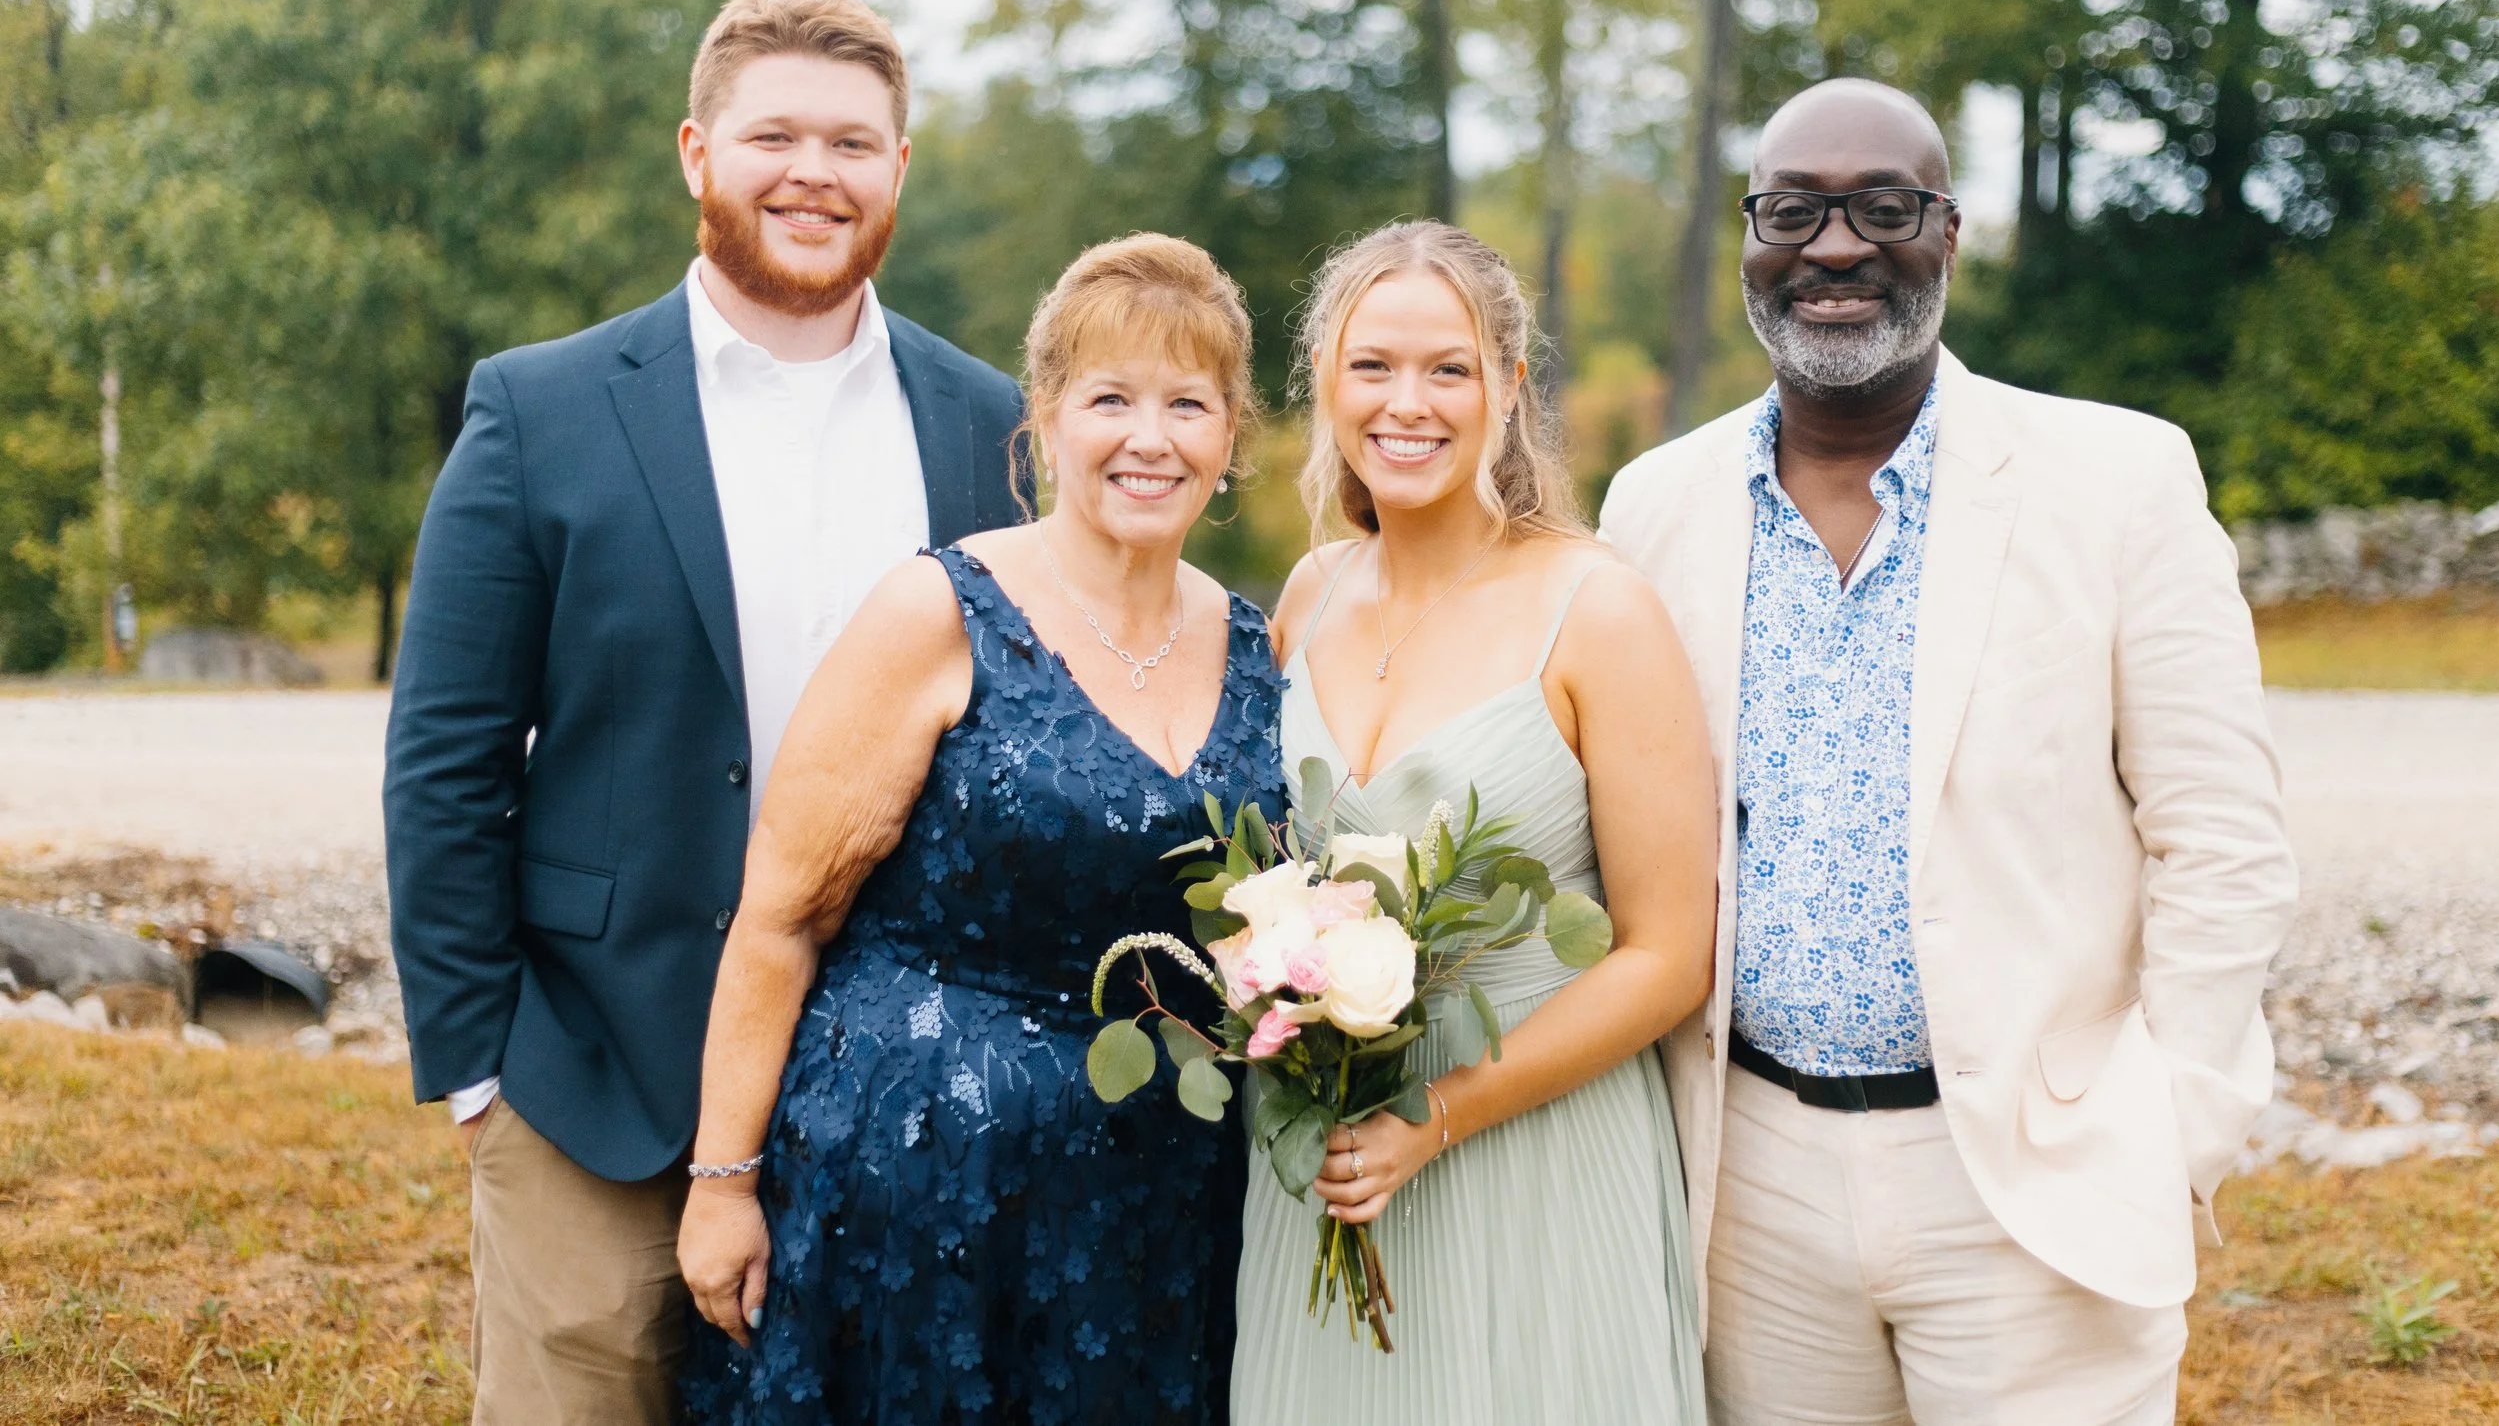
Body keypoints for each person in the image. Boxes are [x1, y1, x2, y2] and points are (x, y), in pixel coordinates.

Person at [1599, 77, 2300, 1424]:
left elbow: (2223, 837)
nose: (1835, 246)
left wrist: (2173, 1131)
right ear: (1749, 237)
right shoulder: (1654, 504)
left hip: (2033, 1177)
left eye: (1884, 207)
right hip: (1749, 1184)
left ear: (1949, 232)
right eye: (1792, 211)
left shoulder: (2119, 480)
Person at [384, 0, 1026, 1425]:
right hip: (596, 1068)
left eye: (852, 143)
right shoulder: (539, 409)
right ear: (696, 153)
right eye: (773, 136)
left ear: (899, 168)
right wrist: (479, 1069)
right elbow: (444, 758)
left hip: (896, 1075)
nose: (814, 173)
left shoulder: (991, 424)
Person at [673, 233, 1286, 1425]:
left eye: (1187, 403)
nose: (1149, 438)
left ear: (1230, 437)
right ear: (1045, 419)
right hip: (920, 1175)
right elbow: (782, 916)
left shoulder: (1256, 644)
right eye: (1109, 399)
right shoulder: (939, 610)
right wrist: (722, 1181)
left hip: (1159, 1193)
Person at [1233, 220, 1716, 1423]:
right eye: (1372, 365)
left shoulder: (1597, 607)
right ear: (1326, 381)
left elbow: (1669, 955)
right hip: (1329, 1166)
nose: (1407, 403)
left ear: (1506, 387)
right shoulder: (1310, 593)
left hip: (1534, 1155)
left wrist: (1434, 1115)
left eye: (1447, 369)